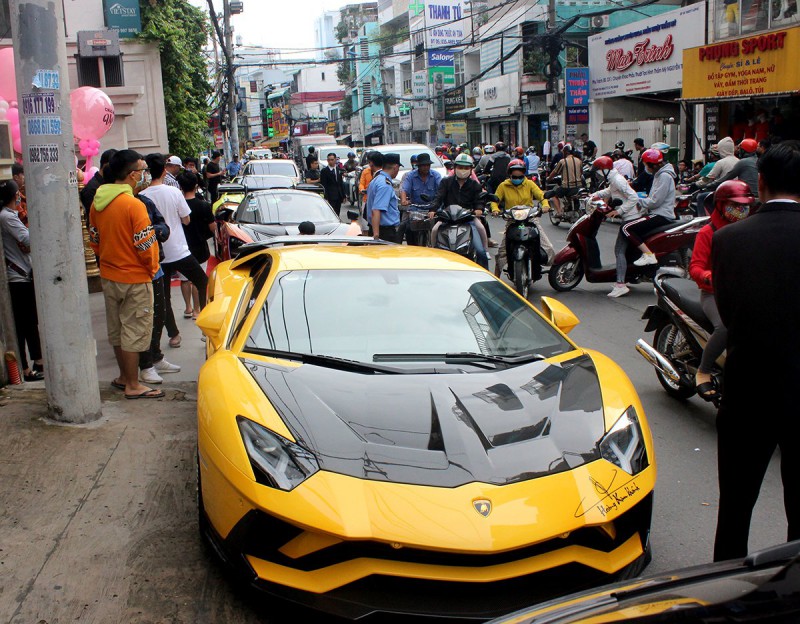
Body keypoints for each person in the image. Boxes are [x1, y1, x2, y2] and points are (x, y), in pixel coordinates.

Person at [711, 141, 800, 562]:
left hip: (749, 392)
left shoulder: (729, 240)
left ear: (760, 183)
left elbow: (729, 317)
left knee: (735, 508)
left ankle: (727, 593)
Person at [88, 149, 164, 399]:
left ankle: (124, 377)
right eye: (143, 171)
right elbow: (146, 244)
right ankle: (133, 384)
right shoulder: (133, 204)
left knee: (118, 330)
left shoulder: (99, 202)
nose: (145, 175)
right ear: (132, 175)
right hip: (135, 278)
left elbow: (95, 239)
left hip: (109, 276)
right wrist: (152, 268)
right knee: (134, 331)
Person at [688, 180, 753, 401]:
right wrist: (711, 277)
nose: (741, 210)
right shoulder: (708, 232)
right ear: (721, 205)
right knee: (726, 327)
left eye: (744, 206)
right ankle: (703, 371)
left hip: (742, 293)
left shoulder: (749, 230)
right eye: (735, 205)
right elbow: (695, 266)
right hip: (713, 294)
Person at [140, 153, 208, 339]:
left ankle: (174, 335)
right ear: (164, 170)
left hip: (157, 253)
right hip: (178, 250)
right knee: (203, 282)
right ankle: (205, 326)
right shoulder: (174, 192)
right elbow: (186, 220)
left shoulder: (141, 197)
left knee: (164, 297)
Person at [135, 171, 177, 385]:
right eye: (139, 171)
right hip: (136, 271)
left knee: (159, 312)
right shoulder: (126, 204)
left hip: (154, 264)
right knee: (143, 318)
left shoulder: (145, 201)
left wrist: (153, 231)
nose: (143, 176)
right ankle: (145, 365)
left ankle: (156, 356)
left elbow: (163, 228)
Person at [0, 179, 43, 381]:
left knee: (29, 323)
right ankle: (26, 368)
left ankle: (37, 361)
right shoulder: (7, 217)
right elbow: (28, 239)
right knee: (24, 324)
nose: (20, 197)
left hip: (22, 274)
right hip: (18, 278)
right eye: (18, 193)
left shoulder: (10, 215)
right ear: (13, 195)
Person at [590, 156, 644, 298]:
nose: (598, 174)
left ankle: (620, 284)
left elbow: (633, 197)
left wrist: (619, 211)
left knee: (619, 250)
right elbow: (609, 191)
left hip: (631, 218)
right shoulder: (614, 180)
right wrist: (594, 195)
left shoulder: (618, 180)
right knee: (622, 250)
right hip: (628, 217)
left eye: (599, 171)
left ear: (605, 170)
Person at [490, 159, 554, 279]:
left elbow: (541, 195)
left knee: (548, 247)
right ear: (510, 174)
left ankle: (552, 271)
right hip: (512, 220)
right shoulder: (503, 186)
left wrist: (546, 205)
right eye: (514, 176)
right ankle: (496, 279)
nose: (517, 178)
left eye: (520, 176)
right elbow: (495, 200)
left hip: (530, 219)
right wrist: (495, 209)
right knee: (501, 252)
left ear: (524, 174)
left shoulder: (529, 184)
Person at [429, 153, 489, 269]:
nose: (463, 170)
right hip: (447, 218)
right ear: (455, 168)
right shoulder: (446, 182)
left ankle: (486, 257)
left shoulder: (474, 185)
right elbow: (438, 197)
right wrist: (433, 209)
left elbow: (479, 200)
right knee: (435, 229)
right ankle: (432, 250)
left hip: (468, 219)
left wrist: (478, 209)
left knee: (480, 247)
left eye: (466, 168)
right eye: (460, 167)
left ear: (471, 169)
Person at [621, 148, 677, 267]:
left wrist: (637, 200)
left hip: (661, 215)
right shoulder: (658, 175)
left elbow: (655, 202)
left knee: (626, 228)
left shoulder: (664, 177)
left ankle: (648, 255)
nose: (645, 167)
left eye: (646, 164)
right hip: (656, 213)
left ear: (652, 164)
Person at [177, 171, 215, 320]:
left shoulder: (178, 206)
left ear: (181, 186)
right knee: (198, 278)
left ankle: (188, 307)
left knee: (184, 279)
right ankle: (197, 310)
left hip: (182, 246)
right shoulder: (204, 205)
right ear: (196, 185)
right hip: (200, 246)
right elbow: (212, 228)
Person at [400, 152, 441, 246]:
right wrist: (403, 200)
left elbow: (441, 191)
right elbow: (404, 189)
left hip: (433, 209)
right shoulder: (410, 176)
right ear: (418, 166)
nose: (426, 167)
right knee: (406, 227)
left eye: (428, 165)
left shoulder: (436, 176)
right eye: (423, 165)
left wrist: (435, 208)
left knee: (441, 228)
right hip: (415, 209)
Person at [366, 153, 402, 242]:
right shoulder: (385, 185)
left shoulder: (376, 180)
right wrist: (376, 235)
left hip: (377, 229)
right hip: (384, 232)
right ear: (395, 167)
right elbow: (376, 210)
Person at [546, 144, 583, 216]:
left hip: (567, 187)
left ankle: (559, 212)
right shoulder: (579, 161)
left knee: (554, 195)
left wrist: (549, 179)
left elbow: (554, 172)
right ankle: (569, 207)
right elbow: (581, 173)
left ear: (565, 152)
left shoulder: (563, 161)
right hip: (578, 187)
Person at [320, 152, 346, 217]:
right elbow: (324, 185)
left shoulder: (338, 170)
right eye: (329, 160)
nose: (330, 161)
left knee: (337, 212)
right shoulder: (324, 171)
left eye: (332, 159)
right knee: (331, 213)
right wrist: (325, 197)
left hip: (338, 195)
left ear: (335, 160)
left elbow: (341, 183)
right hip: (330, 196)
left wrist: (343, 195)